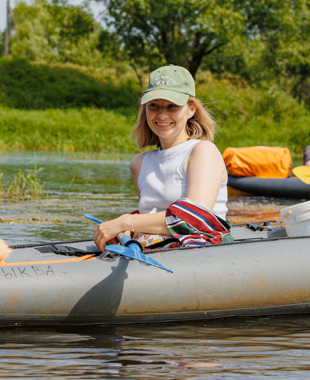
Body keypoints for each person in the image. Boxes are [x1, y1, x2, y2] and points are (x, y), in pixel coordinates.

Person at [93, 65, 230, 249]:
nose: (162, 115)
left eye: (172, 106)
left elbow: (194, 222)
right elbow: (150, 215)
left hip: (201, 251)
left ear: (191, 109)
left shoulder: (203, 151)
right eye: (154, 106)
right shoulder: (139, 163)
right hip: (151, 248)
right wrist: (128, 229)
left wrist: (125, 222)